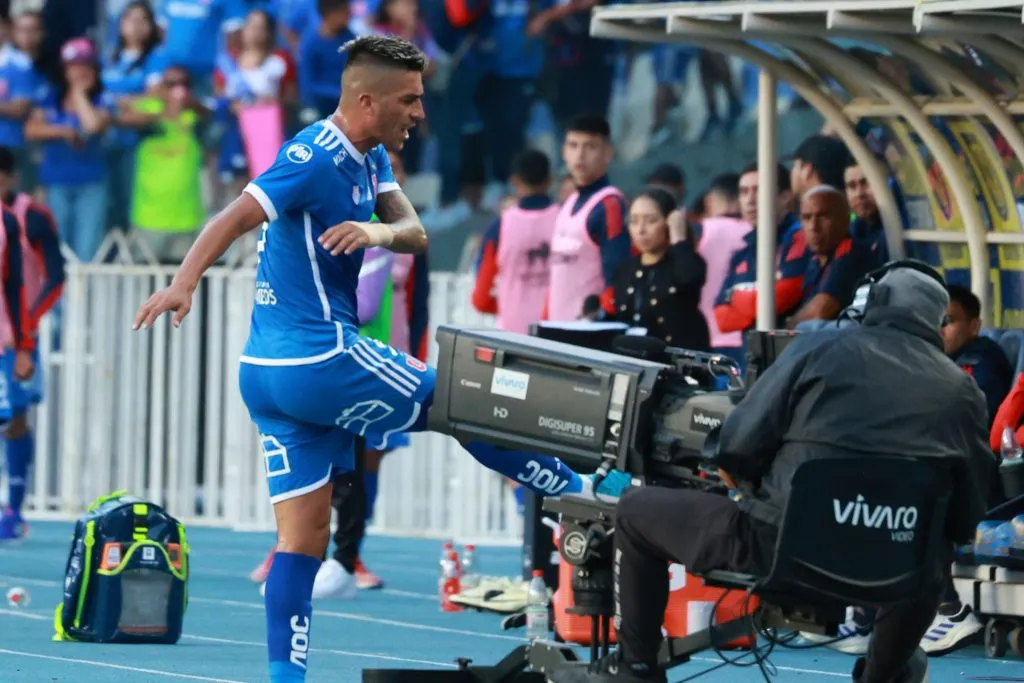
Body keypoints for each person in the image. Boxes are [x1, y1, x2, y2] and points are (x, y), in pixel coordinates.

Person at [132, 35, 621, 683]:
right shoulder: (312, 154)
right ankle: (583, 495)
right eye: (409, 100)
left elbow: (414, 234)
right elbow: (235, 214)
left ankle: (286, 679)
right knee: (466, 400)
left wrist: (375, 231)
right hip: (320, 359)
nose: (420, 112)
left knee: (302, 543)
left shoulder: (373, 161)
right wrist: (184, 281)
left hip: (267, 377)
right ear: (368, 101)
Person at [549, 261, 994, 683]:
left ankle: (636, 670)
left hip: (779, 553)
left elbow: (736, 448)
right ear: (936, 323)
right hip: (891, 571)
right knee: (932, 550)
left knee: (634, 510)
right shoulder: (965, 392)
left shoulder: (818, 347)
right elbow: (965, 516)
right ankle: (884, 675)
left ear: (867, 303)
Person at [0, 146, 64, 542]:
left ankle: (15, 507)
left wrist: (27, 333)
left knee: (15, 416)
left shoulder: (29, 218)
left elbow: (52, 278)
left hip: (15, 334)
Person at [547, 114, 630, 321]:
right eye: (573, 146)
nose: (580, 155)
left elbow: (619, 276)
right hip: (556, 329)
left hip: (587, 335)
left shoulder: (610, 205)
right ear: (564, 152)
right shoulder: (567, 203)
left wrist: (598, 317)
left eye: (590, 146)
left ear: (608, 153)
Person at [608, 186, 708, 350]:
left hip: (676, 361)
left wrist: (678, 238)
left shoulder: (683, 261)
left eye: (651, 221)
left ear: (668, 222)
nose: (641, 230)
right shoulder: (625, 269)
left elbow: (690, 278)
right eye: (634, 221)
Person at [472, 148, 558, 334]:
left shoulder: (499, 227)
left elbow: (481, 298)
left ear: (514, 181)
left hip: (512, 335)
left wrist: (508, 305)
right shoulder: (565, 221)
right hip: (557, 333)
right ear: (550, 180)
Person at [786, 185, 875, 328]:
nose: (813, 227)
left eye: (823, 216)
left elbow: (820, 312)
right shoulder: (815, 260)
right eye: (807, 218)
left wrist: (786, 328)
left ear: (845, 220)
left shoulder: (851, 253)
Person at [943, 285, 1014, 425]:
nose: (938, 329)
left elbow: (972, 419)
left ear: (974, 327)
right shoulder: (933, 357)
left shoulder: (981, 363)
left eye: (948, 321)